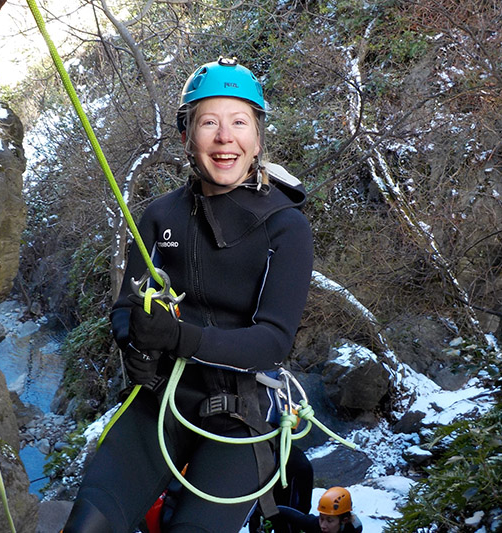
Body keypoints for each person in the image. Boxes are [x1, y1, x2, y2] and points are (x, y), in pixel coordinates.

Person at [62, 56, 314, 533]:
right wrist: (134, 342)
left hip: (239, 413)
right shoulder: (160, 217)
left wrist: (179, 338)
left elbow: (273, 341)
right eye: (209, 122)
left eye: (240, 122)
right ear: (186, 137)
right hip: (159, 399)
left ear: (257, 138)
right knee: (87, 526)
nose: (225, 136)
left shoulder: (286, 226)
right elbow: (124, 309)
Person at [268, 487, 363, 533]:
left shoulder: (354, 528)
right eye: (321, 518)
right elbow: (284, 512)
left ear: (344, 520)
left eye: (330, 521)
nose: (323, 525)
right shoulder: (315, 525)